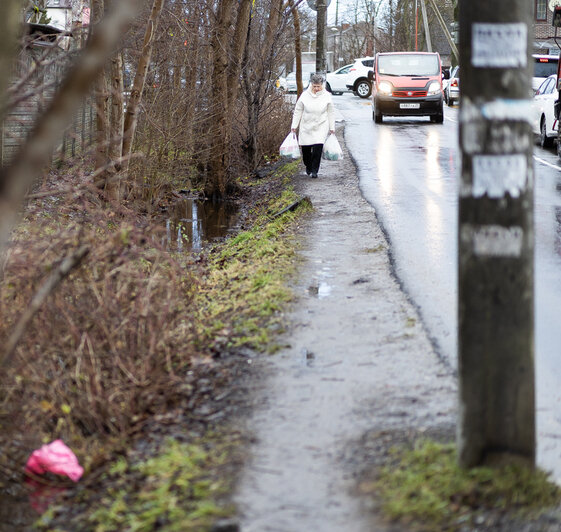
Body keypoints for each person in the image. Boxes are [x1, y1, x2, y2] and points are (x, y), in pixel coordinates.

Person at [291, 73, 335, 178]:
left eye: (318, 86)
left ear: (322, 85)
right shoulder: (305, 95)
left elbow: (331, 112)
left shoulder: (327, 96)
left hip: (321, 125)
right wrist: (294, 125)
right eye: (314, 86)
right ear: (311, 85)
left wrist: (332, 128)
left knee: (317, 148)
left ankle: (315, 170)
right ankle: (308, 165)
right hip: (306, 125)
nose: (316, 89)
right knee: (306, 150)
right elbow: (298, 110)